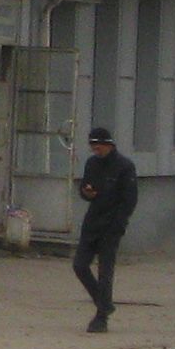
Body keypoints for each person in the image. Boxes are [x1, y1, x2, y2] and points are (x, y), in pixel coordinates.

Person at [74, 127, 138, 333]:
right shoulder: (92, 163)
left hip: (111, 227)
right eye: (93, 147)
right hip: (92, 223)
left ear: (109, 144)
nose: (96, 150)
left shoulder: (125, 167)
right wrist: (87, 193)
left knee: (105, 272)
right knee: (80, 265)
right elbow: (85, 188)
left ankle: (101, 317)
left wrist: (119, 225)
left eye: (98, 146)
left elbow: (129, 200)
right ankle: (105, 304)